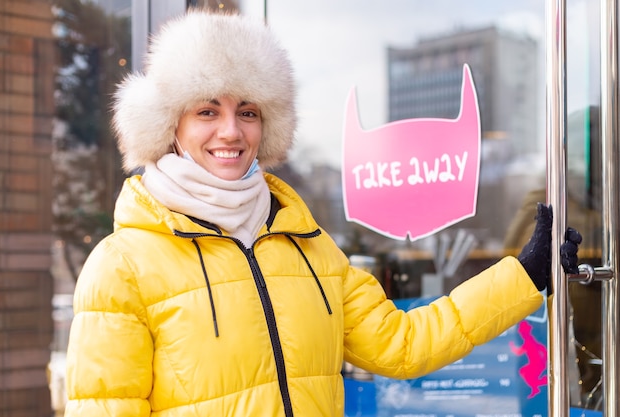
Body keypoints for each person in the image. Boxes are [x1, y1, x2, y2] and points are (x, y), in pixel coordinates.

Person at [64, 9, 582, 417]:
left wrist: (524, 275)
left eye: (248, 112)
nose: (231, 132)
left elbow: (403, 344)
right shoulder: (123, 265)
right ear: (169, 126)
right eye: (206, 111)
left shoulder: (308, 246)